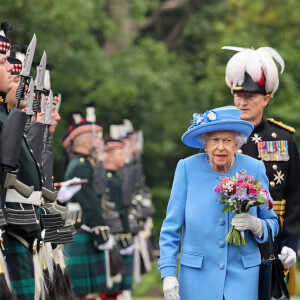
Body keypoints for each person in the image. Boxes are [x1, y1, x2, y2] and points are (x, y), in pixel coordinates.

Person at [158, 106, 279, 300]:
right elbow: (170, 228)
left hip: (243, 279)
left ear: (237, 143)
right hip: (197, 279)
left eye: (227, 140)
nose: (220, 147)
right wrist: (168, 273)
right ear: (205, 142)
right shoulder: (187, 168)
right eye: (215, 140)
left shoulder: (254, 168)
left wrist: (256, 225)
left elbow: (273, 223)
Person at [223, 46, 300, 297]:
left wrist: (291, 244)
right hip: (228, 240)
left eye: (251, 96)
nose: (242, 101)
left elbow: (295, 197)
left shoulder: (284, 139)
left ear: (266, 98)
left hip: (272, 242)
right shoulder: (221, 136)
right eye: (238, 94)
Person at [63, 119, 112, 300]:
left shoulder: (84, 164)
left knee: (88, 293)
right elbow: (90, 203)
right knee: (83, 293)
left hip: (83, 227)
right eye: (96, 139)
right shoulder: (81, 166)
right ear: (84, 143)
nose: (100, 142)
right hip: (82, 228)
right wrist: (101, 231)